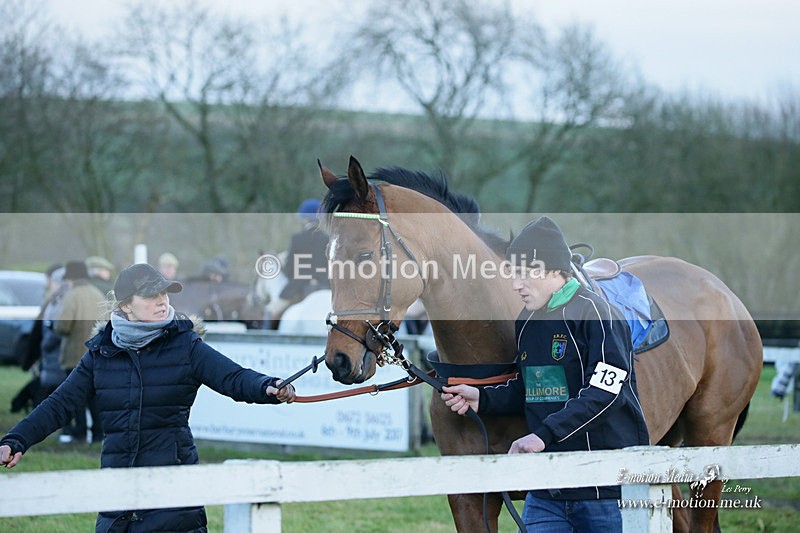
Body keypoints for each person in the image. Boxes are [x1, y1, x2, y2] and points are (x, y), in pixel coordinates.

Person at [1, 262, 296, 533]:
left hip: (175, 498)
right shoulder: (99, 353)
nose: (162, 302)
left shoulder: (186, 344)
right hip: (118, 498)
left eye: (165, 294)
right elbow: (59, 405)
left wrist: (268, 386)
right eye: (152, 296)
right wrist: (16, 440)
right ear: (126, 305)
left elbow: (233, 377)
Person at [440, 216, 649, 533]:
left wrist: (543, 435)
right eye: (513, 274)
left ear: (554, 270)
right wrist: (483, 398)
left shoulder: (598, 313)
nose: (515, 284)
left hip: (604, 490)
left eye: (524, 274)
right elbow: (533, 386)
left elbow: (606, 393)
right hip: (546, 490)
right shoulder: (526, 320)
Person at [54, 260, 107, 443]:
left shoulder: (72, 295)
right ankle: (99, 433)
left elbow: (63, 326)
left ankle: (80, 432)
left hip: (75, 355)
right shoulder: (98, 294)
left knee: (77, 397)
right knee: (94, 397)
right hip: (98, 355)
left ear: (71, 278)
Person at [279, 198, 330, 301]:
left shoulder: (297, 239)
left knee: (272, 312)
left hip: (298, 288)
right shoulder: (328, 239)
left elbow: (289, 268)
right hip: (326, 286)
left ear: (305, 219)